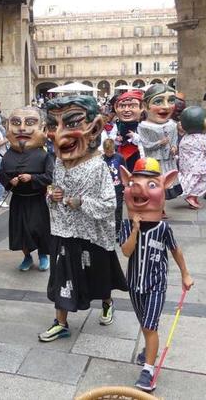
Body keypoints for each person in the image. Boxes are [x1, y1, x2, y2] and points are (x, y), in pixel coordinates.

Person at [40, 95, 128, 342]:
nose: (57, 135)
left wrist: (81, 203)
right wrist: (52, 195)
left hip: (92, 234)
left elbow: (110, 204)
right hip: (63, 231)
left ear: (95, 129)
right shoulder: (58, 162)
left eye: (71, 124)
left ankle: (107, 302)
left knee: (99, 277)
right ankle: (61, 322)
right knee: (61, 277)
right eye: (52, 125)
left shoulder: (98, 166)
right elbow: (53, 190)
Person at [119, 158, 194, 392]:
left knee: (150, 326)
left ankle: (148, 371)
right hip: (134, 284)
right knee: (145, 324)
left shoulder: (163, 228)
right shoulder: (125, 225)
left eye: (151, 185)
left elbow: (175, 250)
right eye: (134, 183)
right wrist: (134, 229)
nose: (140, 190)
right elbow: (126, 251)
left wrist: (185, 274)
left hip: (155, 285)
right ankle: (147, 350)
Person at [0, 106, 53, 272]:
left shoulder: (44, 155)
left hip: (37, 199)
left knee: (39, 230)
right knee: (20, 232)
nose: (22, 128)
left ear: (42, 129)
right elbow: (1, 173)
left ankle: (43, 255)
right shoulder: (8, 155)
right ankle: (27, 256)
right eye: (16, 123)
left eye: (29, 123)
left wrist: (33, 178)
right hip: (19, 200)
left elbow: (50, 177)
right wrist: (10, 181)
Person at [178, 106, 206, 209]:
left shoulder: (186, 137)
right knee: (205, 182)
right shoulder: (202, 138)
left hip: (187, 167)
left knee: (191, 182)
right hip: (198, 167)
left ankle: (192, 198)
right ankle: (192, 197)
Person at [114, 90, 144, 172]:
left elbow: (148, 142)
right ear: (116, 108)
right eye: (122, 106)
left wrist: (135, 137)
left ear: (141, 108)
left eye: (132, 106)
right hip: (120, 156)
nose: (126, 110)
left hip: (137, 158)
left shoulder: (144, 126)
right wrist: (116, 140)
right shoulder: (116, 125)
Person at [102, 138, 126, 230]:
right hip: (106, 188)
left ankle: (118, 229)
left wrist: (125, 186)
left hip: (118, 187)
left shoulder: (119, 158)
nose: (109, 154)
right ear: (104, 150)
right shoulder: (101, 159)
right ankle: (107, 228)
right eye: (107, 152)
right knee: (106, 208)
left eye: (111, 152)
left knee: (118, 208)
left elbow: (124, 172)